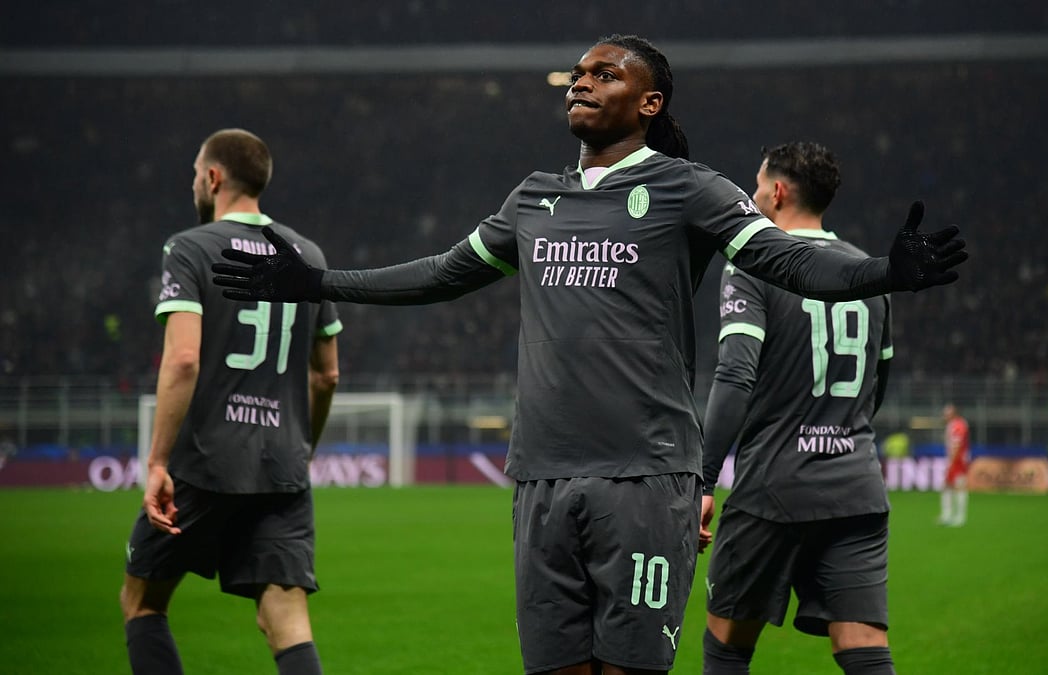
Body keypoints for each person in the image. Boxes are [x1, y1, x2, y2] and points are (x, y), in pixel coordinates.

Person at [211, 35, 965, 675]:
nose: (582, 80)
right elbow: (443, 272)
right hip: (540, 472)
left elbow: (791, 262)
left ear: (650, 103)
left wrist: (882, 274)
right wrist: (314, 281)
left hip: (644, 474)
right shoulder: (534, 198)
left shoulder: (687, 189)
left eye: (605, 73)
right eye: (579, 71)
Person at [120, 128, 342, 675]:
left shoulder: (190, 248)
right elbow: (327, 376)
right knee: (286, 622)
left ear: (213, 177)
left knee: (142, 602)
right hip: (281, 467)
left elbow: (183, 360)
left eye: (197, 172)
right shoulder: (307, 255)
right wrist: (302, 450)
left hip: (204, 462)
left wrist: (155, 463)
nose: (195, 181)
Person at [697, 142, 897, 675]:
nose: (753, 194)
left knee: (727, 643)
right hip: (856, 486)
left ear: (778, 192)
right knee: (862, 646)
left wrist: (703, 480)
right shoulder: (872, 273)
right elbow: (879, 386)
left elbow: (735, 375)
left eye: (758, 185)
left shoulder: (753, 265)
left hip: (774, 488)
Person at [938, 403, 970, 527]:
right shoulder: (952, 425)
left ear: (953, 414)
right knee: (947, 486)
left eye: (947, 413)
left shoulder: (958, 425)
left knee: (959, 486)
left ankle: (960, 517)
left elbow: (957, 445)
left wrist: (951, 462)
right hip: (954, 459)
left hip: (958, 461)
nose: (944, 415)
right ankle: (947, 515)